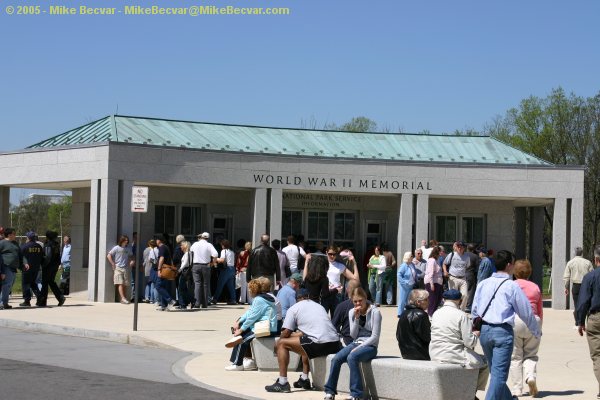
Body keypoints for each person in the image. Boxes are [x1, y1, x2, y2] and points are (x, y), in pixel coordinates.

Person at [472, 250, 541, 400]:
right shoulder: (511, 286)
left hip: (485, 331)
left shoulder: (483, 284)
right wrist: (536, 330)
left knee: (495, 371)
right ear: (509, 265)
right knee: (499, 375)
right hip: (502, 332)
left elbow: (475, 310)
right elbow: (525, 311)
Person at [265, 288, 342, 393]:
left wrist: (277, 344)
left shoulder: (294, 308)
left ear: (297, 299)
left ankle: (282, 383)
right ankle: (304, 379)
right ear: (308, 297)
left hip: (320, 343)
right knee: (304, 340)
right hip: (335, 343)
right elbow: (306, 332)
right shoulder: (319, 306)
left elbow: (286, 332)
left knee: (282, 344)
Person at [324, 287, 382, 400]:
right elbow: (354, 335)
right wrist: (356, 318)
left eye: (360, 300)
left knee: (352, 357)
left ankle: (356, 394)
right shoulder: (352, 312)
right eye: (355, 301)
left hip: (370, 346)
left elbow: (375, 337)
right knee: (336, 359)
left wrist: (360, 347)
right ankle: (330, 391)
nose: (358, 303)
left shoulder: (375, 312)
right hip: (356, 343)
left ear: (365, 299)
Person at [429, 289, 489, 398]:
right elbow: (470, 342)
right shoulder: (461, 315)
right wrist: (476, 334)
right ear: (460, 301)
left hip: (435, 353)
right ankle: (472, 393)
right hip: (453, 354)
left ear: (443, 300)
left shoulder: (436, 313)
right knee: (486, 362)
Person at [225, 277, 278, 371]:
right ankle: (236, 361)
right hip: (261, 326)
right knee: (240, 336)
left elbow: (252, 317)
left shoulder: (260, 300)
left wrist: (241, 329)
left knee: (242, 340)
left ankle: (238, 364)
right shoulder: (263, 298)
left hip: (267, 329)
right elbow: (250, 312)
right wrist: (239, 321)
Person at [509, 259, 543, 397]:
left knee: (515, 357)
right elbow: (540, 309)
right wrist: (539, 327)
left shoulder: (511, 285)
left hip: (515, 320)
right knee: (531, 354)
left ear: (514, 272)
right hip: (533, 320)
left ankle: (517, 388)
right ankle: (530, 377)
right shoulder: (535, 287)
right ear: (529, 272)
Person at [576, 246, 600, 399]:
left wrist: (580, 320)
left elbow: (583, 301)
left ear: (596, 259)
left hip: (596, 318)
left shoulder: (590, 277)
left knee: (598, 355)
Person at [323, 245, 360, 315]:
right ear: (326, 253)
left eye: (334, 254)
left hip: (336, 294)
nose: (332, 256)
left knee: (336, 319)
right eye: (330, 254)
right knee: (323, 318)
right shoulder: (322, 264)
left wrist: (354, 263)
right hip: (325, 293)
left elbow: (355, 279)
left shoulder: (340, 265)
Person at [396, 289, 430, 360]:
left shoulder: (403, 314)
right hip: (422, 353)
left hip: (405, 354)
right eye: (426, 300)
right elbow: (427, 337)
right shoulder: (421, 315)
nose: (428, 302)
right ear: (418, 302)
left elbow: (398, 335)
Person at [564, 246, 594, 326]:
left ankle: (578, 323)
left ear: (574, 253)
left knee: (577, 304)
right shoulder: (588, 262)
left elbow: (566, 277)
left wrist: (566, 287)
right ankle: (586, 322)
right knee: (587, 304)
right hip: (586, 285)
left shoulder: (570, 262)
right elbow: (592, 275)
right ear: (582, 253)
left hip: (576, 286)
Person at [190, 232, 218, 309]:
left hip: (196, 265)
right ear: (208, 238)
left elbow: (190, 252)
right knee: (206, 284)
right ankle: (205, 303)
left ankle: (197, 302)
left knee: (197, 284)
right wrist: (213, 263)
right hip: (206, 265)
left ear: (201, 237)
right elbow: (215, 254)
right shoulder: (209, 245)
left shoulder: (195, 244)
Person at [331, 279, 364, 345]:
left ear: (347, 289)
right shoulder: (369, 305)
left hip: (348, 341)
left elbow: (334, 328)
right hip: (366, 341)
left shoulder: (342, 306)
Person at [39, 230, 66, 307]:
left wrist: (43, 265)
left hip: (48, 266)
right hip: (54, 266)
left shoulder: (48, 245)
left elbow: (47, 257)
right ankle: (60, 297)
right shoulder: (57, 244)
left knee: (44, 284)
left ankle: (43, 301)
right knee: (51, 282)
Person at [443, 241, 471, 310]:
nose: (459, 248)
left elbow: (467, 266)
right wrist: (445, 271)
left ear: (464, 248)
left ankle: (461, 310)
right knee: (453, 296)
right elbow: (444, 263)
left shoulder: (467, 257)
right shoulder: (451, 254)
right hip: (453, 278)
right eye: (458, 246)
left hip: (462, 278)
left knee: (465, 295)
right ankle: (453, 309)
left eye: (461, 246)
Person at [107, 235, 134, 304]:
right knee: (120, 283)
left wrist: (132, 260)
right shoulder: (116, 248)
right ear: (122, 241)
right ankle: (123, 298)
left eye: (127, 240)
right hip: (118, 268)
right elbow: (109, 255)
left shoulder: (128, 249)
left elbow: (131, 256)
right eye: (125, 240)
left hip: (125, 268)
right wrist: (113, 263)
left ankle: (122, 299)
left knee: (125, 284)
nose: (126, 242)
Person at [154, 234, 178, 311]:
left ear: (159, 240)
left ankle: (170, 300)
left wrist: (158, 269)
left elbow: (161, 258)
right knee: (163, 287)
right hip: (167, 270)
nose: (156, 241)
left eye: (156, 240)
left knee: (158, 286)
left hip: (163, 270)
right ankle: (164, 305)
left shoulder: (162, 247)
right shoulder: (166, 247)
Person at [0, 228, 23, 309]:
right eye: (14, 234)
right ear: (9, 235)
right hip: (6, 267)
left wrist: (25, 263)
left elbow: (21, 254)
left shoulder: (15, 243)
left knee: (9, 286)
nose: (15, 235)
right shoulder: (2, 243)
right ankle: (2, 303)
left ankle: (5, 303)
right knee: (6, 285)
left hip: (13, 268)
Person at [20, 231, 43, 307]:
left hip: (27, 268)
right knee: (33, 283)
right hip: (36, 268)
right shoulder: (38, 246)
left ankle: (27, 301)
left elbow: (20, 256)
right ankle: (40, 297)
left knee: (26, 284)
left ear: (28, 238)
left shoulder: (25, 246)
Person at [213, 239, 237, 305]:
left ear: (223, 245)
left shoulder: (224, 251)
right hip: (232, 269)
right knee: (231, 286)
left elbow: (222, 260)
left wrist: (215, 259)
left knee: (220, 284)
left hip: (226, 269)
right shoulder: (232, 252)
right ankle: (233, 299)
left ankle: (215, 299)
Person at [397, 251, 419, 317]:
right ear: (408, 257)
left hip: (411, 285)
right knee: (402, 300)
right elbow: (399, 274)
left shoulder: (412, 264)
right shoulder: (404, 265)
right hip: (405, 285)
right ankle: (400, 314)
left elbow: (414, 272)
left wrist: (416, 279)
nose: (413, 257)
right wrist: (403, 282)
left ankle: (407, 312)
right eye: (411, 256)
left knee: (408, 300)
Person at [424, 246, 443, 316]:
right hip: (433, 283)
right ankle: (430, 314)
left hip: (437, 282)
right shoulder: (432, 260)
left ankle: (432, 314)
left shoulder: (436, 260)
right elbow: (430, 273)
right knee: (433, 300)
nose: (442, 252)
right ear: (437, 252)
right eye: (441, 251)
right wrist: (431, 284)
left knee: (438, 299)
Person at [142, 239, 158, 303]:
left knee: (147, 283)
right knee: (152, 283)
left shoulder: (145, 250)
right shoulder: (156, 250)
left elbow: (144, 259)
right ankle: (152, 298)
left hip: (146, 267)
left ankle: (146, 297)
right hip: (153, 268)